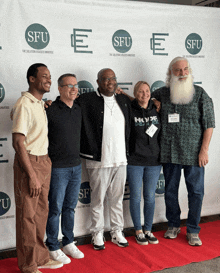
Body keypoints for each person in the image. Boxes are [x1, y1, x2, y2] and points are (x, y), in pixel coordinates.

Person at [151, 57, 215, 246]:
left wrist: (204, 150)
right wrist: (152, 102)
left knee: (196, 192)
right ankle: (173, 224)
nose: (182, 73)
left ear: (190, 71)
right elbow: (142, 101)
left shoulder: (201, 94)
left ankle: (193, 229)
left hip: (194, 154)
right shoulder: (161, 93)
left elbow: (209, 124)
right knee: (170, 191)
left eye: (185, 69)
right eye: (178, 70)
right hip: (169, 152)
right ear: (170, 73)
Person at [12, 63, 63, 273]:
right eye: (44, 76)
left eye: (50, 76)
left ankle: (41, 257)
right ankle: (28, 265)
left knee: (41, 213)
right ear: (31, 79)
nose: (48, 80)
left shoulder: (39, 104)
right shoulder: (25, 103)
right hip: (30, 163)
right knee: (27, 217)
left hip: (44, 161)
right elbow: (17, 142)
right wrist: (31, 174)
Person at [79, 68, 131, 250]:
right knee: (98, 200)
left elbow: (139, 106)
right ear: (98, 81)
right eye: (106, 79)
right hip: (98, 160)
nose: (110, 82)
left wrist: (154, 101)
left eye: (113, 78)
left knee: (117, 199)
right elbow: (68, 106)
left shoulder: (123, 100)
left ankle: (117, 231)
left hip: (121, 160)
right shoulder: (86, 100)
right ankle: (97, 233)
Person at [45, 74, 84, 264]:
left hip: (76, 167)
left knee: (70, 207)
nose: (74, 88)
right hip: (57, 168)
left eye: (76, 85)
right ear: (59, 88)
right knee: (55, 209)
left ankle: (68, 241)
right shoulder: (50, 110)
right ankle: (52, 245)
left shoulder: (78, 109)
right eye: (69, 85)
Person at [126, 81, 161, 245]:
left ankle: (148, 229)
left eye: (147, 91)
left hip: (154, 161)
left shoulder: (157, 108)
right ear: (135, 93)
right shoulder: (130, 109)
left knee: (150, 197)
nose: (144, 94)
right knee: (135, 197)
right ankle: (138, 230)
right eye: (140, 92)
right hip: (134, 160)